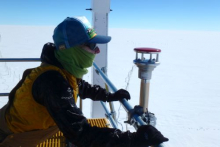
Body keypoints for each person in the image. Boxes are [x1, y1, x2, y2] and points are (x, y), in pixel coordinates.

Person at [0, 16, 168, 147]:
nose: (97, 50)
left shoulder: (61, 69)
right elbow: (79, 133)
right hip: (12, 138)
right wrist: (134, 139)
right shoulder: (52, 82)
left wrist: (110, 96)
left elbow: (79, 86)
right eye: (91, 44)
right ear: (70, 49)